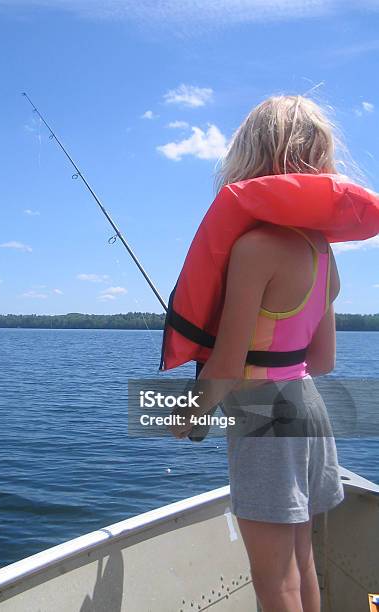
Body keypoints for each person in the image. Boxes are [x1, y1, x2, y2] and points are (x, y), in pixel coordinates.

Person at [168, 94, 348, 612]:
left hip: (265, 420)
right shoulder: (321, 250)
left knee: (275, 581)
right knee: (301, 561)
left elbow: (226, 366)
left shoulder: (254, 249)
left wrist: (189, 414)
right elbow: (324, 360)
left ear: (248, 157)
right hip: (309, 410)